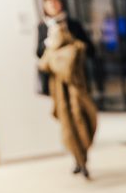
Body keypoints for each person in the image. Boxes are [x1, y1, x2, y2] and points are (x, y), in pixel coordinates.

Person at [38, 18, 97, 178]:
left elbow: (66, 69)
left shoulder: (74, 48)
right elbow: (42, 64)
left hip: (77, 94)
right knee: (69, 130)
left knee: (83, 124)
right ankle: (79, 160)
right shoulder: (51, 52)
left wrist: (52, 54)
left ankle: (82, 158)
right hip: (61, 97)